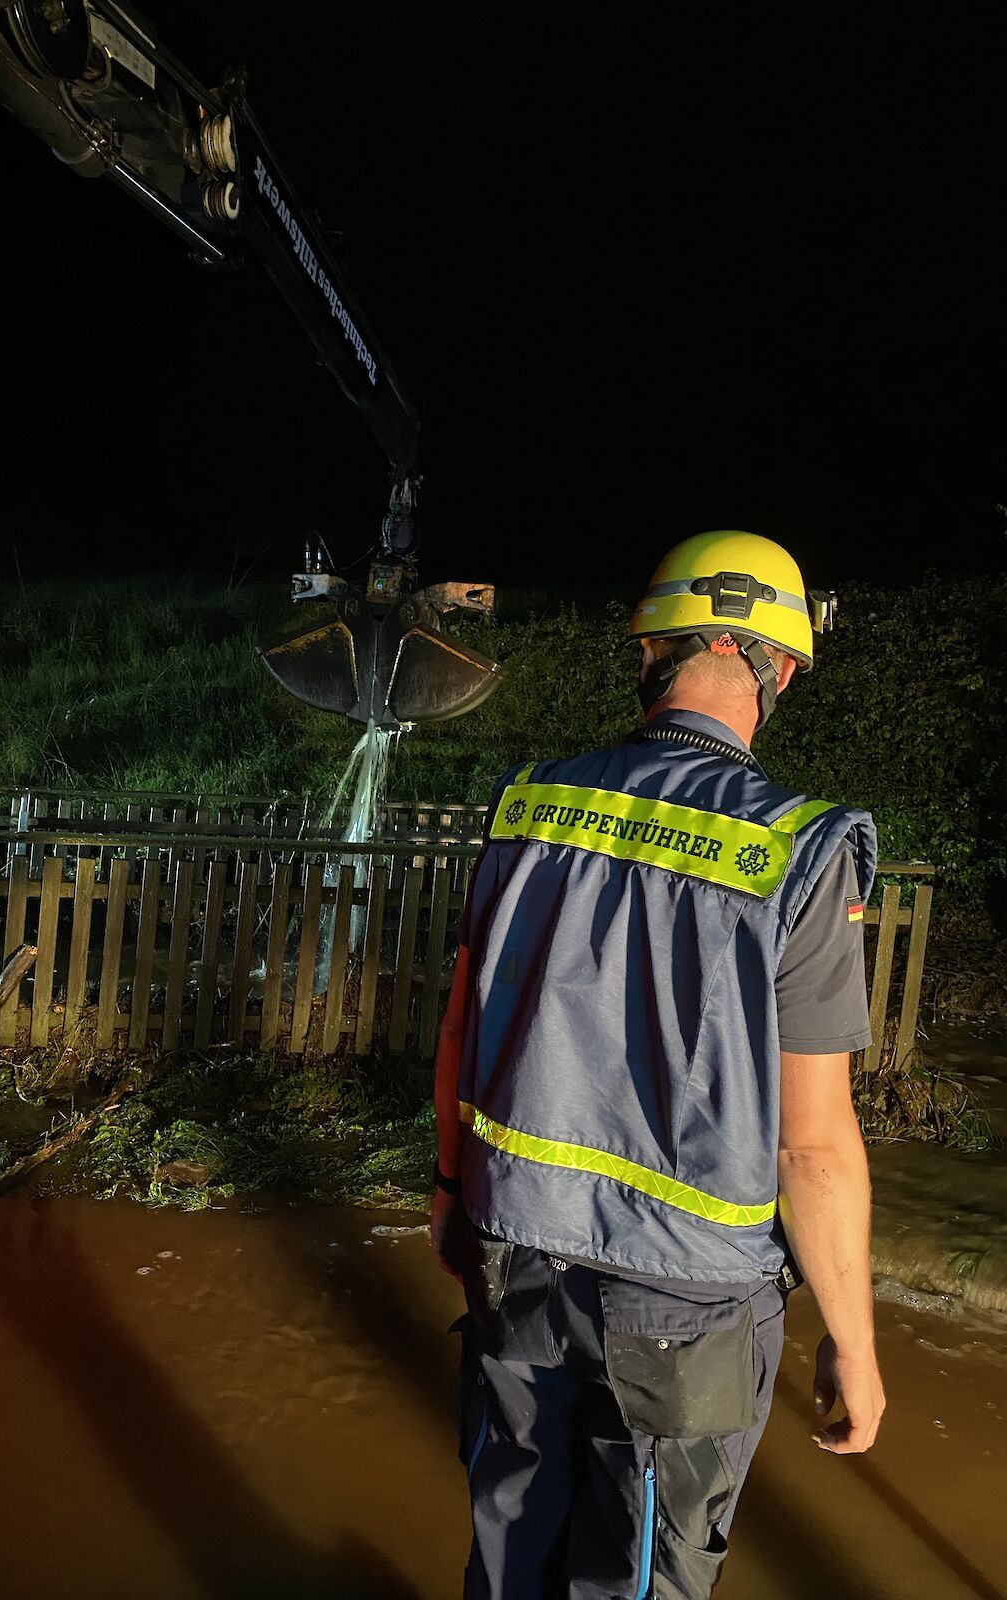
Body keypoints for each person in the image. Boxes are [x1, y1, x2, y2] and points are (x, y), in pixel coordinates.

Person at [431, 531, 886, 1600]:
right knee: (635, 1571)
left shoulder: (530, 802)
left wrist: (453, 1193)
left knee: (509, 1536)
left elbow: (463, 1030)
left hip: (515, 1252)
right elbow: (810, 1142)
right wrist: (852, 1345)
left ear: (654, 651)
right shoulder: (802, 853)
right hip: (688, 1305)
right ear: (771, 666)